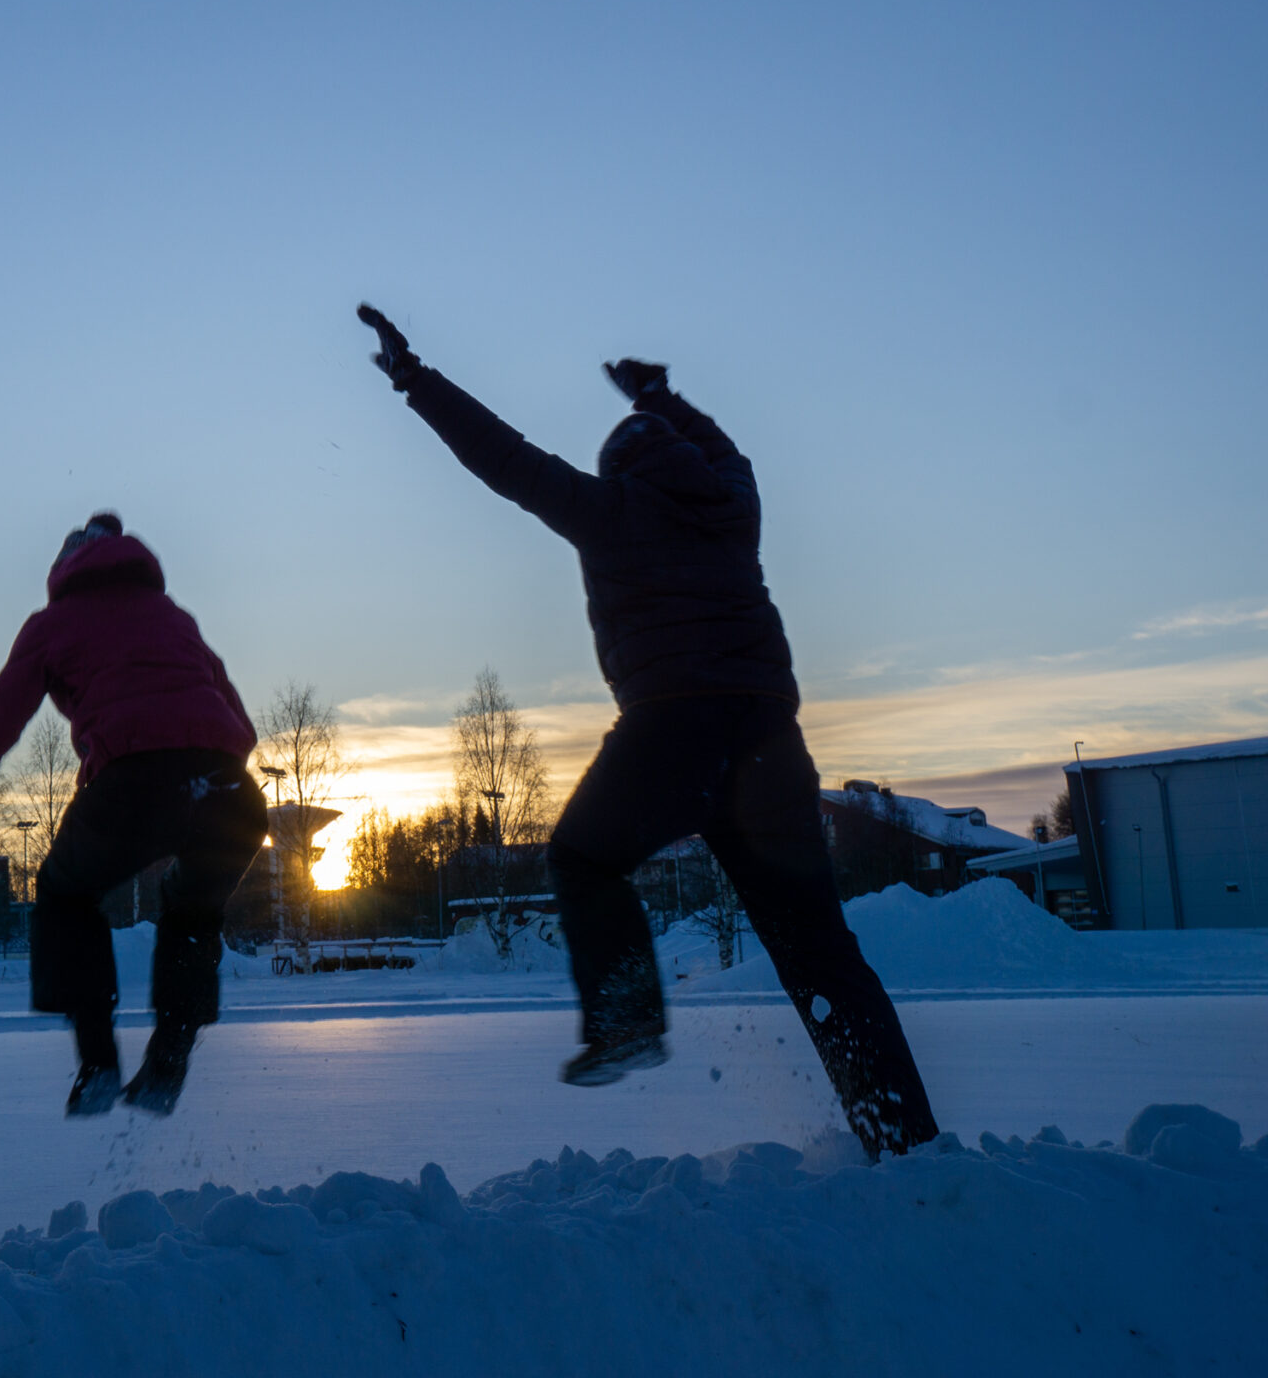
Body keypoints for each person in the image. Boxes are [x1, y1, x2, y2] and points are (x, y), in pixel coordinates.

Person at [354, 305, 939, 1158]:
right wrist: (663, 396)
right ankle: (902, 1134)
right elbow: (729, 453)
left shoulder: (610, 511)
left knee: (585, 858)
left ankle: (627, 1018)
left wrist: (418, 382)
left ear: (618, 470)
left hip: (674, 727)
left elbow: (506, 460)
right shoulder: (734, 509)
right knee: (821, 954)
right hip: (772, 745)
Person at [0, 513, 265, 1117]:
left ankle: (98, 1065)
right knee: (192, 909)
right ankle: (169, 1061)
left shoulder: (52, 624)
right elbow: (241, 731)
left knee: (64, 893)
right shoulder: (176, 619)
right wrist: (195, 774)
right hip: (232, 793)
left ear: (62, 571)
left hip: (132, 788)